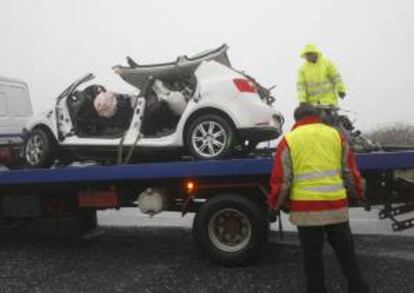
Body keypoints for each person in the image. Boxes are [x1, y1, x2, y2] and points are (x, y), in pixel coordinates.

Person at [268, 104, 369, 293]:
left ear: (296, 120)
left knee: (312, 258)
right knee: (347, 255)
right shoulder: (335, 136)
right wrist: (359, 194)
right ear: (317, 117)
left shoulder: (289, 140)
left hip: (307, 212)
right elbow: (350, 171)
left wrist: (274, 206)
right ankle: (359, 288)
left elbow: (282, 181)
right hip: (336, 208)